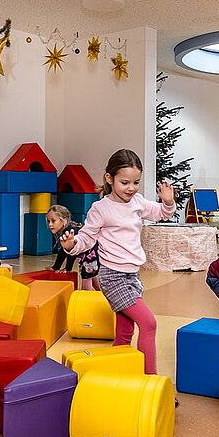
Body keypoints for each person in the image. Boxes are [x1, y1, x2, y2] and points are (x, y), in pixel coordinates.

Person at [60, 149, 175, 375]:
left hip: (132, 275)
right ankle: (149, 379)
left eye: (136, 182)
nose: (131, 188)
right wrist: (71, 245)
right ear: (109, 179)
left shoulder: (137, 202)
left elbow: (161, 213)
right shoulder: (101, 209)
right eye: (125, 182)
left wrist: (168, 201)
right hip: (112, 277)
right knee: (149, 324)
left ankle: (115, 376)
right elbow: (87, 238)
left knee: (124, 331)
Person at [47, 205, 101, 290]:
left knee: (86, 277)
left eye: (53, 221)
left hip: (91, 255)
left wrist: (68, 269)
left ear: (63, 220)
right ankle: (104, 295)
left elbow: (71, 252)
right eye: (48, 221)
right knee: (93, 276)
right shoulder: (68, 229)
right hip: (92, 255)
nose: (50, 224)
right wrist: (56, 267)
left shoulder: (69, 232)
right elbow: (63, 251)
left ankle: (85, 296)